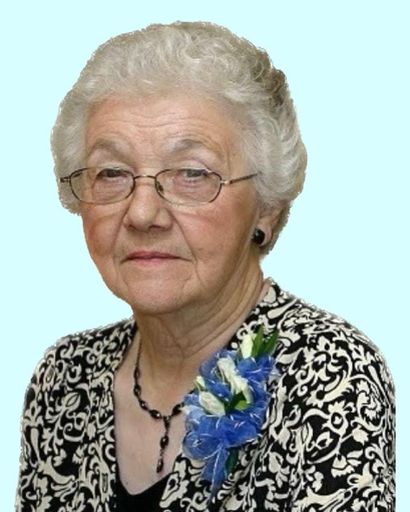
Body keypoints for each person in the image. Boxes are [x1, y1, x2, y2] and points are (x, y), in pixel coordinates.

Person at [16, 21, 395, 512]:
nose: (142, 213)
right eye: (111, 173)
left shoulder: (331, 374)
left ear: (266, 206)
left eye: (192, 174)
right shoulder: (65, 377)